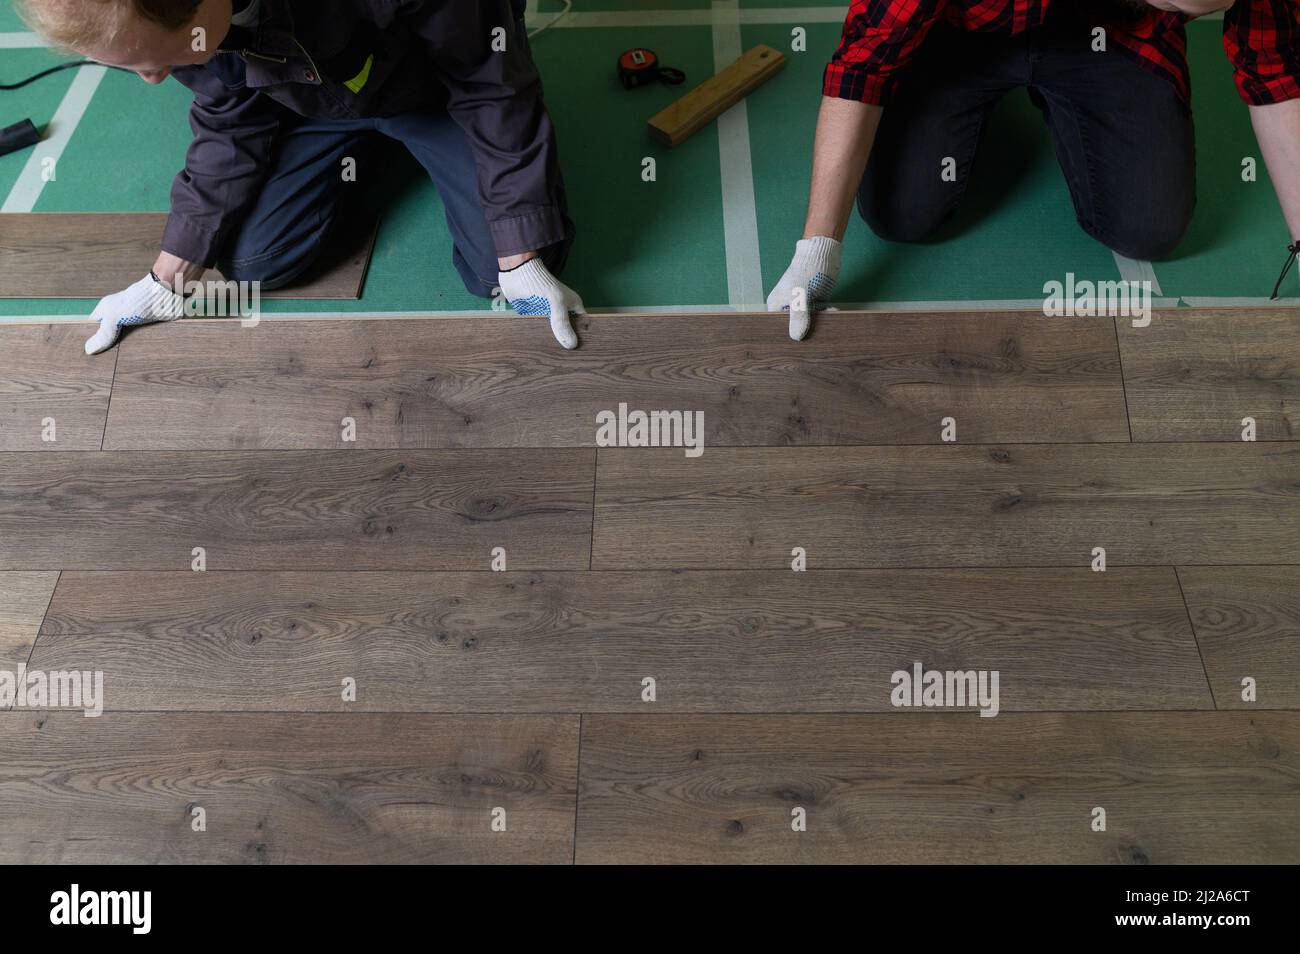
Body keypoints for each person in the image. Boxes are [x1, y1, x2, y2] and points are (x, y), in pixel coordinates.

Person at [17, 0, 587, 353]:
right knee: (254, 260)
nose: (153, 79)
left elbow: (491, 87)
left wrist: (519, 255)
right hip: (313, 99)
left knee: (502, 269)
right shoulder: (189, 30)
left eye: (158, 59)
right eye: (134, 66)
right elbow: (228, 124)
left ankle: (415, 144)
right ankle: (382, 150)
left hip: (437, 90)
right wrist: (169, 276)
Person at [768, 0, 1300, 339]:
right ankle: (978, 101)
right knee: (900, 213)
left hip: (1105, 28)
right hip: (960, 28)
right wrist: (819, 246)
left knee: (1149, 227)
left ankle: (1061, 90)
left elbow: (1276, 76)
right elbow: (863, 64)